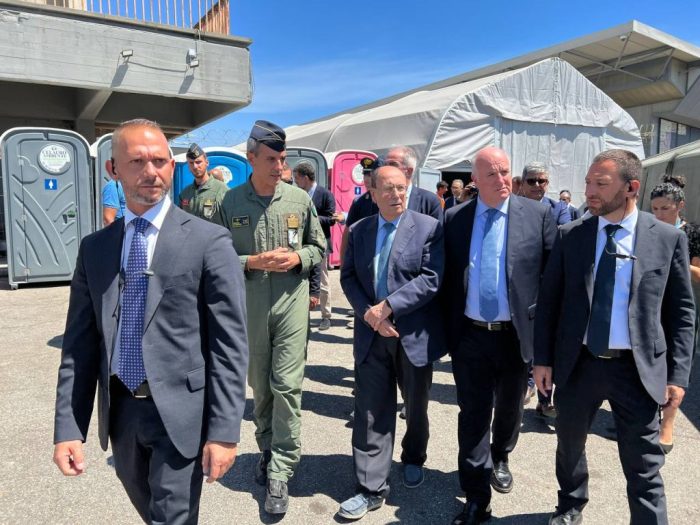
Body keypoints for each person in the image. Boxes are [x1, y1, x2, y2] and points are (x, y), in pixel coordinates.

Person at [53, 119, 249, 524]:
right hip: (122, 414)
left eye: (160, 161)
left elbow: (230, 345)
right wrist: (69, 427)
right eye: (137, 161)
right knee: (150, 511)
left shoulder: (208, 242)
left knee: (170, 518)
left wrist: (225, 431)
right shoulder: (95, 249)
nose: (151, 172)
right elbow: (79, 346)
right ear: (114, 170)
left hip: (183, 414)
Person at [533, 150, 695, 525]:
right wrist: (542, 359)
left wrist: (677, 375)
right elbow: (549, 303)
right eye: (589, 182)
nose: (589, 191)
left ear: (631, 187)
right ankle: (570, 505)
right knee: (568, 445)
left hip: (637, 371)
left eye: (601, 184)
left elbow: (682, 313)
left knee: (644, 462)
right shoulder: (571, 235)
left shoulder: (667, 238)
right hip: (580, 364)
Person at [442, 147, 556, 525]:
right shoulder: (456, 218)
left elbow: (552, 281)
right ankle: (476, 497)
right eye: (491, 174)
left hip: (515, 336)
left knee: (508, 409)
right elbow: (445, 280)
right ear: (475, 180)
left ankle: (502, 454)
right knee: (472, 415)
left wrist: (547, 344)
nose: (502, 180)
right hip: (471, 336)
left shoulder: (538, 215)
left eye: (505, 171)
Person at [218, 120, 326, 515]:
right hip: (250, 308)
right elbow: (215, 256)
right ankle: (266, 446)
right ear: (251, 159)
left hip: (291, 305)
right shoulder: (231, 203)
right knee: (260, 388)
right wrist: (252, 261)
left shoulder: (299, 200)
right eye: (271, 159)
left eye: (282, 159)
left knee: (287, 385)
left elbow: (319, 246)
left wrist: (299, 258)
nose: (279, 166)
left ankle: (282, 467)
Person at [338, 164, 444, 520]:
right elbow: (349, 276)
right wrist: (369, 313)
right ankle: (371, 487)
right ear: (372, 192)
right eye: (388, 189)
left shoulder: (428, 227)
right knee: (370, 411)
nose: (397, 195)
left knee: (416, 407)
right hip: (371, 335)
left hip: (411, 335)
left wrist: (389, 307)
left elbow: (431, 278)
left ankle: (414, 456)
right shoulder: (360, 229)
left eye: (401, 188)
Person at [650, 180, 700, 454]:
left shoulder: (691, 233)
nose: (659, 215)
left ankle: (668, 422)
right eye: (655, 209)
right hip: (654, 307)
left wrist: (679, 260)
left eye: (665, 209)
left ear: (680, 206)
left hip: (683, 305)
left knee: (676, 365)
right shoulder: (649, 232)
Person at [294, 161, 337, 331]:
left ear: (305, 178)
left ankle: (326, 316)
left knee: (322, 281)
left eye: (297, 178)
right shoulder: (298, 194)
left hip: (320, 244)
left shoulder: (325, 194)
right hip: (301, 245)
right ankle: (303, 316)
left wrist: (312, 218)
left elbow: (332, 219)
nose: (295, 182)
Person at [178, 143, 228, 225]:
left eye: (198, 162)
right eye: (191, 163)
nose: (195, 166)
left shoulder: (222, 191)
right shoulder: (185, 194)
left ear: (207, 163)